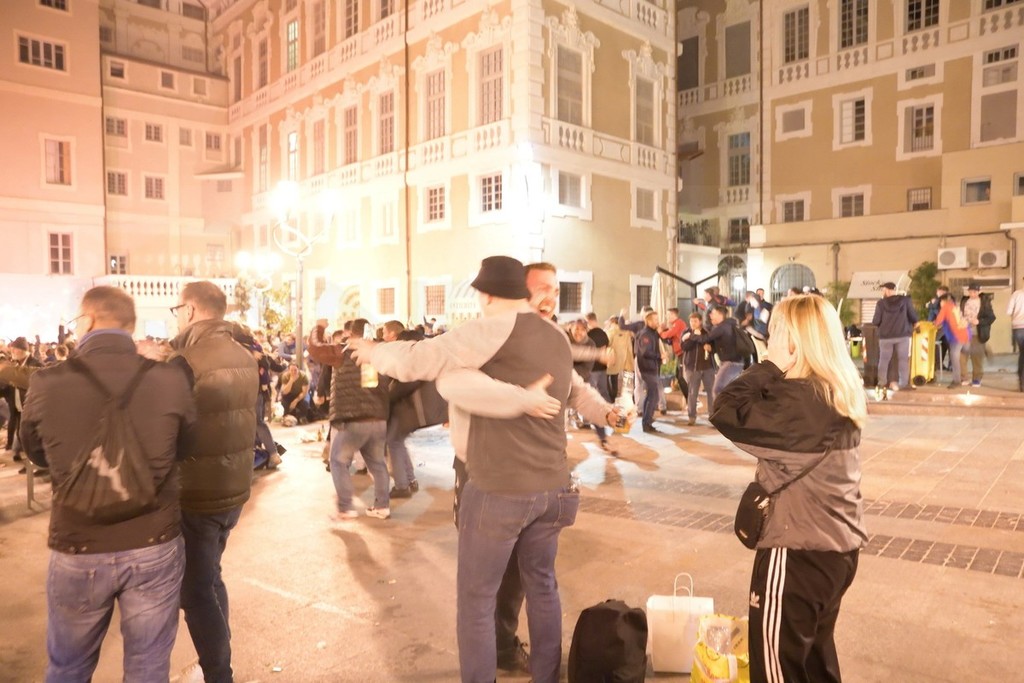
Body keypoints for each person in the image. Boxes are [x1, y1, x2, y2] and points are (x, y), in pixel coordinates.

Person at [349, 256, 624, 683]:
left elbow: (420, 358)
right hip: (554, 487)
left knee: (477, 600)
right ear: (523, 291)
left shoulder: (490, 329)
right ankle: (546, 676)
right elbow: (575, 390)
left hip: (499, 486)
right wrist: (607, 413)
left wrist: (372, 351)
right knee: (543, 588)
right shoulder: (555, 336)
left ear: (487, 294)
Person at [20, 286, 197, 682]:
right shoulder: (169, 379)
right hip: (154, 540)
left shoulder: (47, 381)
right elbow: (187, 446)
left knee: (69, 666)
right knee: (148, 664)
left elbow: (34, 451)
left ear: (88, 320)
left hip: (77, 542)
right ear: (130, 325)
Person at [710, 294, 867, 683]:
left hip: (797, 554)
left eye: (777, 332)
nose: (769, 339)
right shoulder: (834, 391)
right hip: (836, 552)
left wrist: (770, 364)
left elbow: (725, 408)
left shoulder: (797, 403)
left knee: (775, 669)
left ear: (794, 343)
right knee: (814, 663)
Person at [164, 280, 259, 683]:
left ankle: (219, 673)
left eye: (177, 310)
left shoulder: (185, 360)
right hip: (232, 486)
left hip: (197, 490)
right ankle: (215, 663)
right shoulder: (244, 354)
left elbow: (168, 426)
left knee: (195, 591)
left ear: (189, 310)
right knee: (210, 577)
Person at [307, 318, 392, 520]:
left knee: (338, 460)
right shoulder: (380, 353)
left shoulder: (344, 351)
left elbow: (315, 348)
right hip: (378, 418)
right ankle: (382, 506)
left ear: (350, 333)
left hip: (352, 418)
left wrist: (319, 327)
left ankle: (346, 507)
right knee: (377, 464)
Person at [871, 281, 918, 391]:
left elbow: (876, 321)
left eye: (883, 290)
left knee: (884, 360)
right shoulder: (905, 301)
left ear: (887, 290)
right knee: (903, 360)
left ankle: (882, 383)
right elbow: (913, 316)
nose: (882, 292)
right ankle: (903, 383)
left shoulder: (881, 303)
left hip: (885, 337)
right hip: (902, 336)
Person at [680, 312, 715, 426]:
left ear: (700, 321)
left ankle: (712, 416)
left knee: (711, 392)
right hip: (692, 367)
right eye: (691, 321)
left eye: (695, 321)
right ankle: (692, 416)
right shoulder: (686, 333)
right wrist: (693, 336)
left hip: (707, 367)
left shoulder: (707, 332)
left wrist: (710, 348)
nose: (693, 323)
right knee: (692, 392)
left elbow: (714, 346)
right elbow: (684, 347)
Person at [959, 283, 995, 387]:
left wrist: (979, 321)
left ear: (979, 291)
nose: (972, 294)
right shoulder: (964, 300)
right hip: (964, 331)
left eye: (974, 292)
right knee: (961, 356)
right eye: (970, 291)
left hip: (977, 332)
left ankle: (976, 379)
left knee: (977, 357)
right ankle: (964, 377)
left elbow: (991, 317)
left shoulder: (984, 302)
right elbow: (960, 313)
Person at [932, 293, 970, 389]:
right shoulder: (956, 307)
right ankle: (980, 350)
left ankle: (956, 381)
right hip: (965, 335)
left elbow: (938, 322)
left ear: (944, 301)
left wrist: (932, 324)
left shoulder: (945, 307)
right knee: (962, 355)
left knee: (954, 359)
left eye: (940, 301)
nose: (940, 303)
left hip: (956, 337)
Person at [634, 310, 664, 433]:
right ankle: (646, 422)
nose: (658, 322)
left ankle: (647, 421)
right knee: (653, 396)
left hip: (652, 367)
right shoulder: (645, 334)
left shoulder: (653, 333)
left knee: (652, 395)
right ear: (649, 321)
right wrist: (659, 356)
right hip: (647, 368)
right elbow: (645, 352)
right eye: (655, 320)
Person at [706, 304, 746, 395]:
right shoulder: (729, 325)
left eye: (713, 313)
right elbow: (723, 345)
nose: (710, 316)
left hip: (731, 363)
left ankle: (721, 405)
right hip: (734, 362)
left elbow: (707, 338)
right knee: (730, 391)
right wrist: (712, 348)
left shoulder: (722, 327)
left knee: (718, 390)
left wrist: (692, 336)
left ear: (720, 315)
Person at [1009, 277, 1024, 392]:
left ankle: (1022, 383)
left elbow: (1008, 311)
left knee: (1022, 354)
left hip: (1018, 327)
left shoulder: (1016, 294)